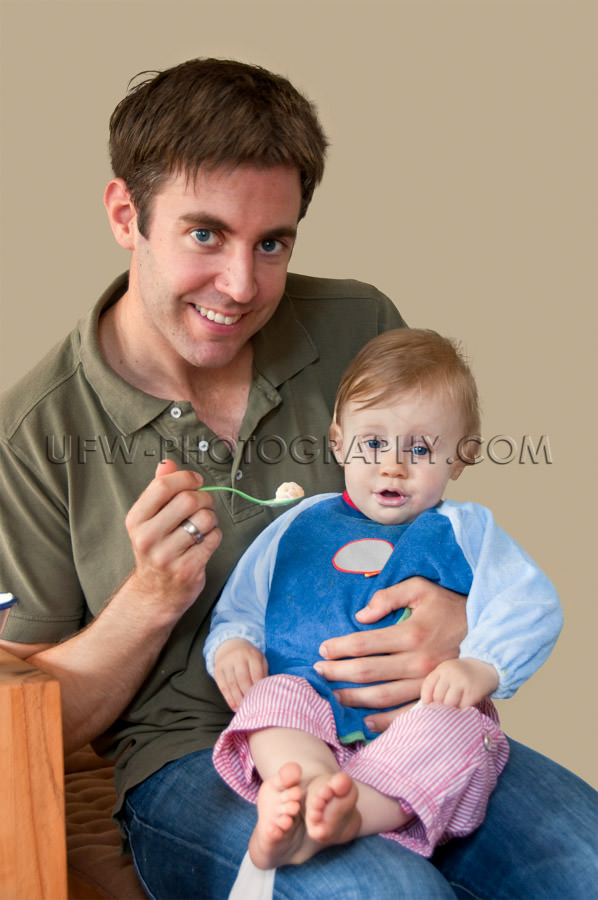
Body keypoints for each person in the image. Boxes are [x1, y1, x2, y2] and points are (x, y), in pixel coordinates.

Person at [0, 58, 595, 899]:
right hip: (195, 756)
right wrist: (149, 600)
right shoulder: (35, 434)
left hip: (407, 724)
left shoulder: (357, 324)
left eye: (271, 243)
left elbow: (442, 526)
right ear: (126, 215)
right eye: (205, 234)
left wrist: (460, 622)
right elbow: (22, 719)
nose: (242, 288)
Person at [205, 328, 559, 868]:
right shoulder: (300, 523)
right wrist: (233, 645)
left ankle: (353, 812)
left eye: (420, 448)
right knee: (270, 699)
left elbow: (528, 602)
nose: (393, 465)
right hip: (312, 698)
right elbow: (244, 603)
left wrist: (484, 667)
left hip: (416, 716)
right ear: (338, 441)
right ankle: (305, 790)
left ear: (460, 459)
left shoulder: (466, 530)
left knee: (458, 730)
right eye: (373, 443)